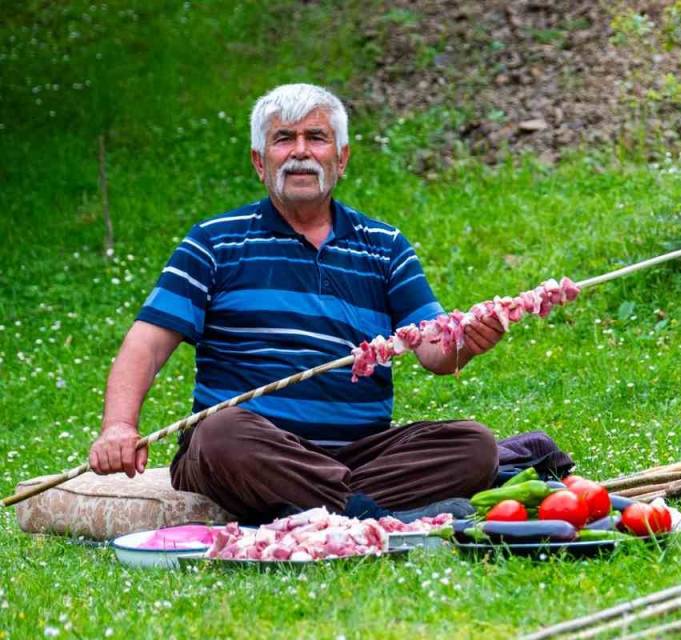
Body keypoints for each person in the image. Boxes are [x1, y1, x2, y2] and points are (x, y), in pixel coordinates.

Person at [87, 84, 505, 523]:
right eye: (284, 138)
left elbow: (436, 352)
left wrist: (468, 343)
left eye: (316, 138)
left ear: (340, 159)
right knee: (220, 435)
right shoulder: (214, 242)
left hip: (357, 454)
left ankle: (307, 506)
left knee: (474, 446)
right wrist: (118, 426)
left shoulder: (385, 247)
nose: (300, 152)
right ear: (259, 161)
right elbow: (147, 344)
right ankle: (367, 513)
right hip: (250, 447)